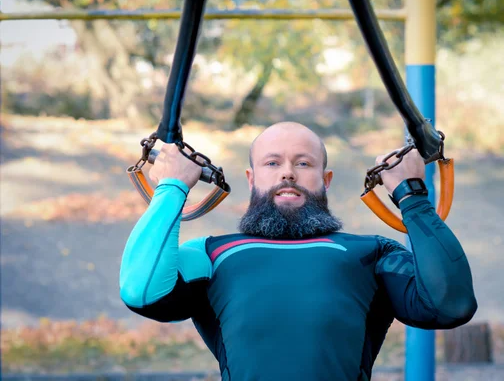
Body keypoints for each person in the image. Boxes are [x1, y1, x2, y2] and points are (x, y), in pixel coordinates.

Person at [119, 121, 477, 381]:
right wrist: (172, 188)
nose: (287, 173)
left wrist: (412, 197)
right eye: (272, 163)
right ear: (251, 179)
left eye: (303, 163)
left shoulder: (371, 253)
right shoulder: (211, 255)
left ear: (326, 179)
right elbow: (141, 291)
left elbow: (450, 304)